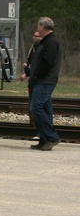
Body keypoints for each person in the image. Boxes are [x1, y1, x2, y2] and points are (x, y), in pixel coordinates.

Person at [28, 17, 62, 150]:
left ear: (43, 26)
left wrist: (36, 73)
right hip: (41, 80)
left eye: (38, 26)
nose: (37, 29)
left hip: (45, 80)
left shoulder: (51, 42)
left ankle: (52, 137)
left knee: (36, 107)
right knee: (46, 110)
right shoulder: (46, 41)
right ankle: (44, 138)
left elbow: (48, 62)